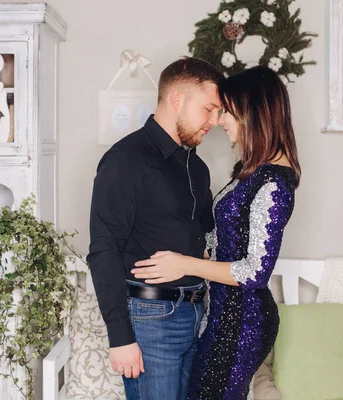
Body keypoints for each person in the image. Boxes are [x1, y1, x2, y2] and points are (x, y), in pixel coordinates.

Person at [132, 66, 301, 400]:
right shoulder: (255, 172)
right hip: (226, 316)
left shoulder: (274, 182)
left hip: (243, 323)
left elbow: (254, 271)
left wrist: (185, 264)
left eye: (229, 112)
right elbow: (226, 241)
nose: (220, 120)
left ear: (254, 114)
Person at [87, 57, 223, 400]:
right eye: (209, 109)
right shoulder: (126, 159)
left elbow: (205, 237)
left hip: (195, 313)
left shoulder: (198, 168)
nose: (215, 121)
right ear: (177, 99)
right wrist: (120, 337)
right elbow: (104, 248)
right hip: (150, 319)